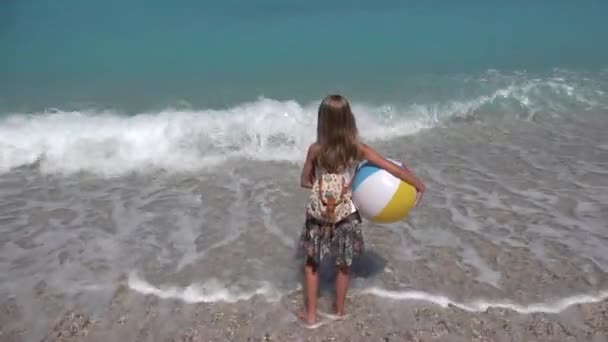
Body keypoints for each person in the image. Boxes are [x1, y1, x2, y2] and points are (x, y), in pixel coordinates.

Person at [298, 94, 426, 326]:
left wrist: (320, 179)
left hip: (318, 216)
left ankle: (311, 316)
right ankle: (338, 311)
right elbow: (392, 170)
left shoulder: (315, 150)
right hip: (346, 214)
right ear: (349, 120)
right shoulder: (357, 149)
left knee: (311, 264)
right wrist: (418, 185)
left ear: (322, 121)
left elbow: (305, 182)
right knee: (344, 265)